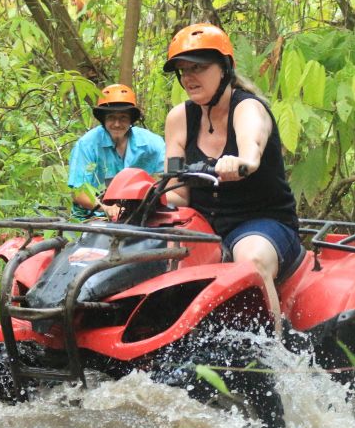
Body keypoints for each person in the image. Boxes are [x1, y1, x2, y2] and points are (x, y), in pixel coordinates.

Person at [162, 23, 301, 336]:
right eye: (182, 70)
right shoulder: (179, 118)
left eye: (198, 67)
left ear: (225, 68)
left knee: (250, 259)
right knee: (146, 253)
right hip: (201, 227)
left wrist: (243, 161)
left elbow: (252, 144)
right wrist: (138, 197)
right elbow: (178, 193)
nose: (188, 77)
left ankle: (275, 355)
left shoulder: (248, 107)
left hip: (261, 224)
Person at [68, 83, 165, 220]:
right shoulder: (87, 145)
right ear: (103, 120)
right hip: (92, 217)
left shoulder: (152, 143)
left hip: (138, 215)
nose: (117, 124)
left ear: (131, 119)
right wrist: (106, 208)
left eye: (123, 118)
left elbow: (169, 178)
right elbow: (78, 192)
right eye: (111, 117)